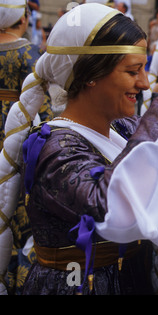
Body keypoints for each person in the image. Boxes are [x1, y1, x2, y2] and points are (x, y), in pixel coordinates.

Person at [0, 3, 158, 295]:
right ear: (90, 76)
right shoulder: (53, 146)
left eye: (144, 69)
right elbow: (107, 205)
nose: (145, 83)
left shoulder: (120, 128)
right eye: (133, 71)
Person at [0, 0, 53, 295]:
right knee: (13, 194)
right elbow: (40, 101)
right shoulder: (27, 51)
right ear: (21, 16)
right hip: (15, 128)